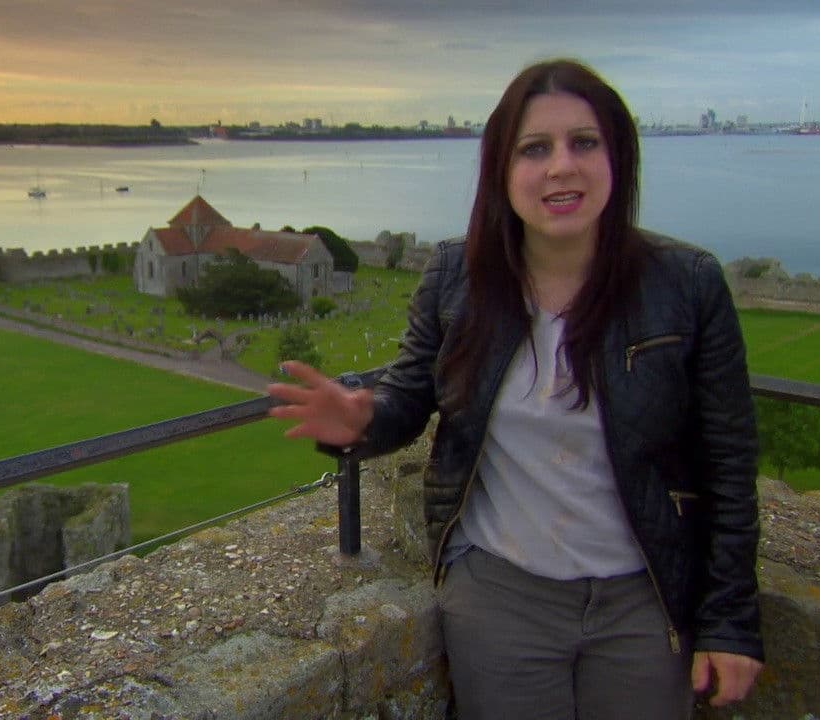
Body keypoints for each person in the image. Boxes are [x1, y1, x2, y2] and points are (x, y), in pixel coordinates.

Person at [268, 58, 763, 719]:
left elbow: (729, 462)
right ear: (502, 169)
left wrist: (731, 620)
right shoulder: (457, 274)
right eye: (535, 149)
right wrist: (363, 421)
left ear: (617, 158)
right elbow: (410, 397)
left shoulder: (688, 284)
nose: (561, 166)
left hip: (642, 599)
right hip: (500, 596)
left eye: (583, 142)